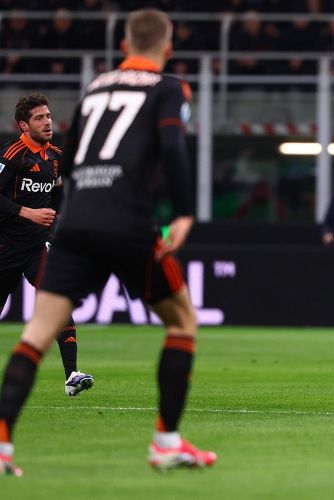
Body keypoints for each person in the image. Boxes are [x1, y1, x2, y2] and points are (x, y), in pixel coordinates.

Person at [0, 8, 215, 476]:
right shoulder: (169, 87)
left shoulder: (96, 87)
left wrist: (76, 204)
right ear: (168, 48)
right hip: (129, 223)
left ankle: (2, 447)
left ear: (123, 48)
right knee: (182, 321)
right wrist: (183, 213)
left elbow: (70, 161)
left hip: (76, 224)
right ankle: (166, 443)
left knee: (36, 332)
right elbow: (173, 146)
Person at [0, 94, 95, 398]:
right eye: (39, 118)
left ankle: (72, 376)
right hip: (5, 246)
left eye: (49, 116)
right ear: (24, 126)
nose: (47, 122)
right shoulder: (13, 155)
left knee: (58, 300)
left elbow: (56, 194)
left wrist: (59, 218)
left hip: (37, 246)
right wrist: (26, 212)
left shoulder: (55, 157)